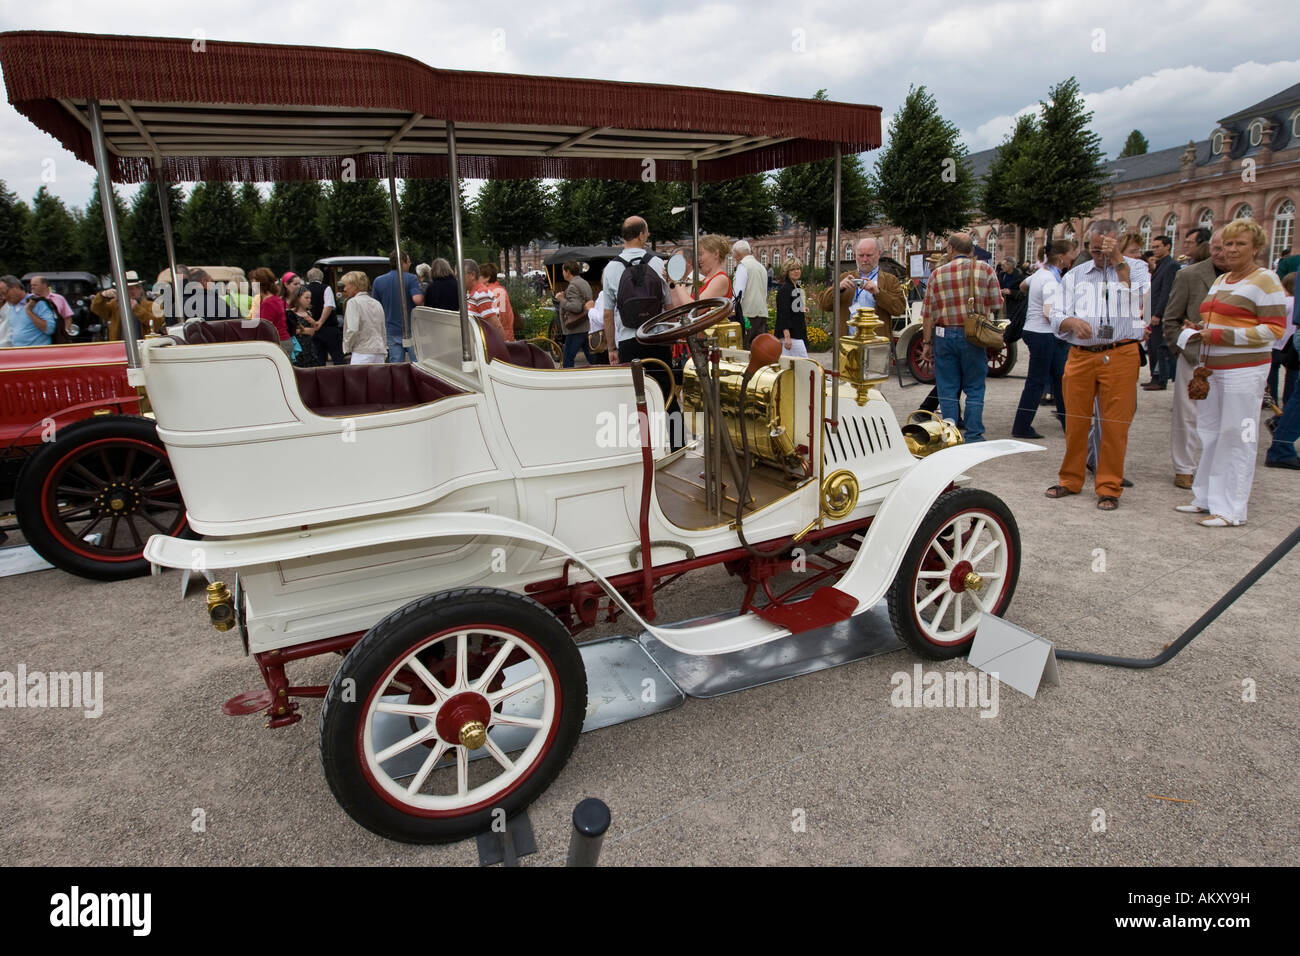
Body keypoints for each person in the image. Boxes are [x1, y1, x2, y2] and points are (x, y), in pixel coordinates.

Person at [1175, 218, 1286, 526]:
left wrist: (1224, 336)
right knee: (1210, 432)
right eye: (1227, 244)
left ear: (1256, 248)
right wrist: (1200, 328)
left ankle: (1231, 509)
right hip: (1213, 368)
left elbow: (1274, 330)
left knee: (1237, 435)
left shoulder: (1266, 280)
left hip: (1244, 369)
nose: (1231, 250)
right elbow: (1219, 320)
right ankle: (1206, 497)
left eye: (1240, 244)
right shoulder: (1222, 280)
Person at [1045, 219, 1151, 511]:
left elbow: (1137, 299)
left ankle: (1108, 485)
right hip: (1081, 355)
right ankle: (1070, 479)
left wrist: (1118, 260)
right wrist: (1070, 321)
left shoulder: (1137, 268)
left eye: (1105, 251)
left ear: (1119, 244)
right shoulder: (1076, 275)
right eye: (1094, 251)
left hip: (1121, 352)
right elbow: (1055, 314)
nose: (1099, 257)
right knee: (1076, 421)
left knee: (1115, 424)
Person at [920, 232, 1002, 443]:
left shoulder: (937, 274)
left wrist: (927, 343)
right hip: (974, 335)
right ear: (972, 250)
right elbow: (997, 304)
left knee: (947, 387)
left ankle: (950, 434)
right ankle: (974, 435)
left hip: (945, 334)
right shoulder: (986, 270)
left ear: (950, 249)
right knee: (975, 387)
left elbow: (928, 313)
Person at [1162, 228, 1226, 489]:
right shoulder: (1189, 274)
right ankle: (1184, 467)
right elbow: (1171, 319)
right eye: (1219, 247)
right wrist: (1184, 349)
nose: (1224, 253)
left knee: (1225, 417)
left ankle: (1218, 468)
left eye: (1233, 246)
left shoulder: (1252, 280)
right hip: (1195, 355)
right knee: (1187, 415)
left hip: (1233, 358)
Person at [602, 215, 672, 405]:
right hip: (657, 339)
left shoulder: (611, 268)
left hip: (628, 341)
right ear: (641, 235)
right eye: (647, 232)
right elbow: (668, 305)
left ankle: (640, 434)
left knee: (635, 399)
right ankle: (676, 434)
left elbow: (607, 314)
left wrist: (611, 348)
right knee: (666, 395)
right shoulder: (657, 263)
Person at [1012, 239, 1075, 437]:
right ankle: (1021, 427)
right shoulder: (1050, 279)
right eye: (1072, 252)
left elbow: (1023, 285)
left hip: (1037, 331)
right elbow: (1050, 314)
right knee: (1038, 381)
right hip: (1043, 333)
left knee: (1058, 379)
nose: (1074, 256)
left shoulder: (1041, 274)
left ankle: (1068, 423)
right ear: (1061, 257)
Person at [818, 237, 906, 339]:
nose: (864, 259)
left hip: (876, 343)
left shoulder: (890, 280)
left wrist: (878, 293)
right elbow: (824, 305)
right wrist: (838, 289)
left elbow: (899, 309)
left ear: (878, 254)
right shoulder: (844, 278)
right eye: (861, 255)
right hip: (848, 342)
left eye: (869, 255)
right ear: (855, 256)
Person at [372, 250, 424, 363]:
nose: (410, 264)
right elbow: (417, 299)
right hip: (411, 328)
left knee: (396, 364)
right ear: (402, 262)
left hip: (390, 328)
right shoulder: (411, 278)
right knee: (418, 362)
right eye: (409, 261)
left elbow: (375, 306)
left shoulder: (378, 281)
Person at [1143, 234, 1179, 390]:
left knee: (1158, 347)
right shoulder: (1159, 264)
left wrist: (1158, 313)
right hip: (1151, 310)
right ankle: (1154, 376)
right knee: (1151, 346)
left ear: (1168, 246)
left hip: (1158, 313)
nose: (1155, 250)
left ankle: (1160, 378)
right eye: (1153, 247)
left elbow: (1166, 291)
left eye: (1158, 247)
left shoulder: (1171, 265)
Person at [90, 271, 162, 339]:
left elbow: (158, 325)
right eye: (124, 289)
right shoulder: (115, 304)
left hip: (144, 345)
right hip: (119, 345)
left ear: (140, 289)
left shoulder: (152, 305)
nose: (127, 292)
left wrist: (137, 309)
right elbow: (96, 309)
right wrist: (102, 295)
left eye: (131, 289)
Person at [668, 233, 732, 308]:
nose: (698, 259)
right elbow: (679, 307)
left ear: (716, 254)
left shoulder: (720, 279)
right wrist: (672, 280)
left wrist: (678, 281)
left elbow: (695, 309)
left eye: (701, 254)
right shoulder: (705, 280)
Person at [340, 271, 386, 365]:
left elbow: (352, 329)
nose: (344, 289)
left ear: (354, 286)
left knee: (357, 379)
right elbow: (382, 329)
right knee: (378, 379)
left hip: (362, 351)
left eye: (346, 285)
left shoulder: (353, 302)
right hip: (379, 350)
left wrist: (347, 346)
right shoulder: (376, 303)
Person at [555, 260, 593, 367]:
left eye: (563, 270)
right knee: (592, 358)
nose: (562, 273)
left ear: (567, 271)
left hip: (575, 328)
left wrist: (561, 299)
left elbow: (576, 307)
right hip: (586, 326)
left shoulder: (573, 286)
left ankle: (569, 380)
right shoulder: (584, 282)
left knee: (567, 359)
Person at [1266, 272, 1296, 407]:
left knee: (1273, 371)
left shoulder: (1285, 302)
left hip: (1277, 343)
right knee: (1292, 374)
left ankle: (1272, 400)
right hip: (1292, 345)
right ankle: (1288, 401)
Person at [246, 268, 291, 357]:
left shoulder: (268, 303)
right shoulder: (276, 299)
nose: (252, 285)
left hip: (277, 343)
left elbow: (263, 327)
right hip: (282, 341)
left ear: (261, 283)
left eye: (254, 282)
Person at [731, 240, 769, 345]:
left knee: (745, 347)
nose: (733, 257)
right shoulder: (761, 267)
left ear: (738, 254)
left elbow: (738, 293)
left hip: (747, 314)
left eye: (733, 254)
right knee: (758, 348)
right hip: (762, 313)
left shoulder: (743, 266)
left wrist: (731, 310)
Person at [304, 267, 343, 366]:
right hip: (329, 327)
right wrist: (320, 322)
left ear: (308, 278)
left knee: (319, 358)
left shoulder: (304, 290)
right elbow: (328, 306)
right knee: (337, 357)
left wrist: (312, 321)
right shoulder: (326, 288)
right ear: (321, 278)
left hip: (311, 329)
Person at [773, 258, 809, 358]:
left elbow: (793, 308)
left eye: (798, 268)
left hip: (798, 332)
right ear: (787, 272)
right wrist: (787, 337)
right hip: (791, 335)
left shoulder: (797, 287)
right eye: (793, 269)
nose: (797, 271)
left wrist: (802, 308)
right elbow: (783, 314)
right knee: (803, 363)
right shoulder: (785, 289)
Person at [462, 259, 501, 334]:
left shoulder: (481, 294)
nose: (458, 279)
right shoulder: (469, 293)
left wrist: (503, 344)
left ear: (473, 275)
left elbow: (496, 326)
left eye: (460, 275)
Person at [480, 261, 516, 341]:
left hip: (501, 338)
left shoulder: (497, 292)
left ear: (487, 277)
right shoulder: (497, 290)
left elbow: (501, 317)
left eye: (479, 276)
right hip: (502, 335)